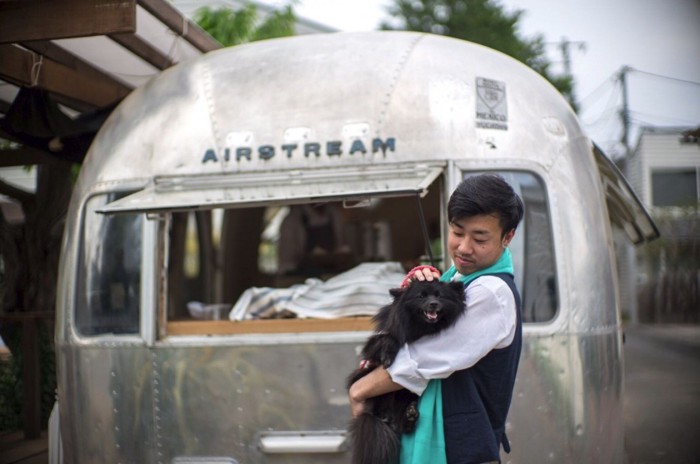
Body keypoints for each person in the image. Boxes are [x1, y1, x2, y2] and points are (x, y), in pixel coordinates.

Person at [348, 173, 524, 463]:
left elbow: (422, 358)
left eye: (480, 238)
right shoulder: (456, 277)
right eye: (457, 232)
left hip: (457, 451)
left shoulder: (491, 291)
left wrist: (360, 389)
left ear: (508, 237)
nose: (464, 247)